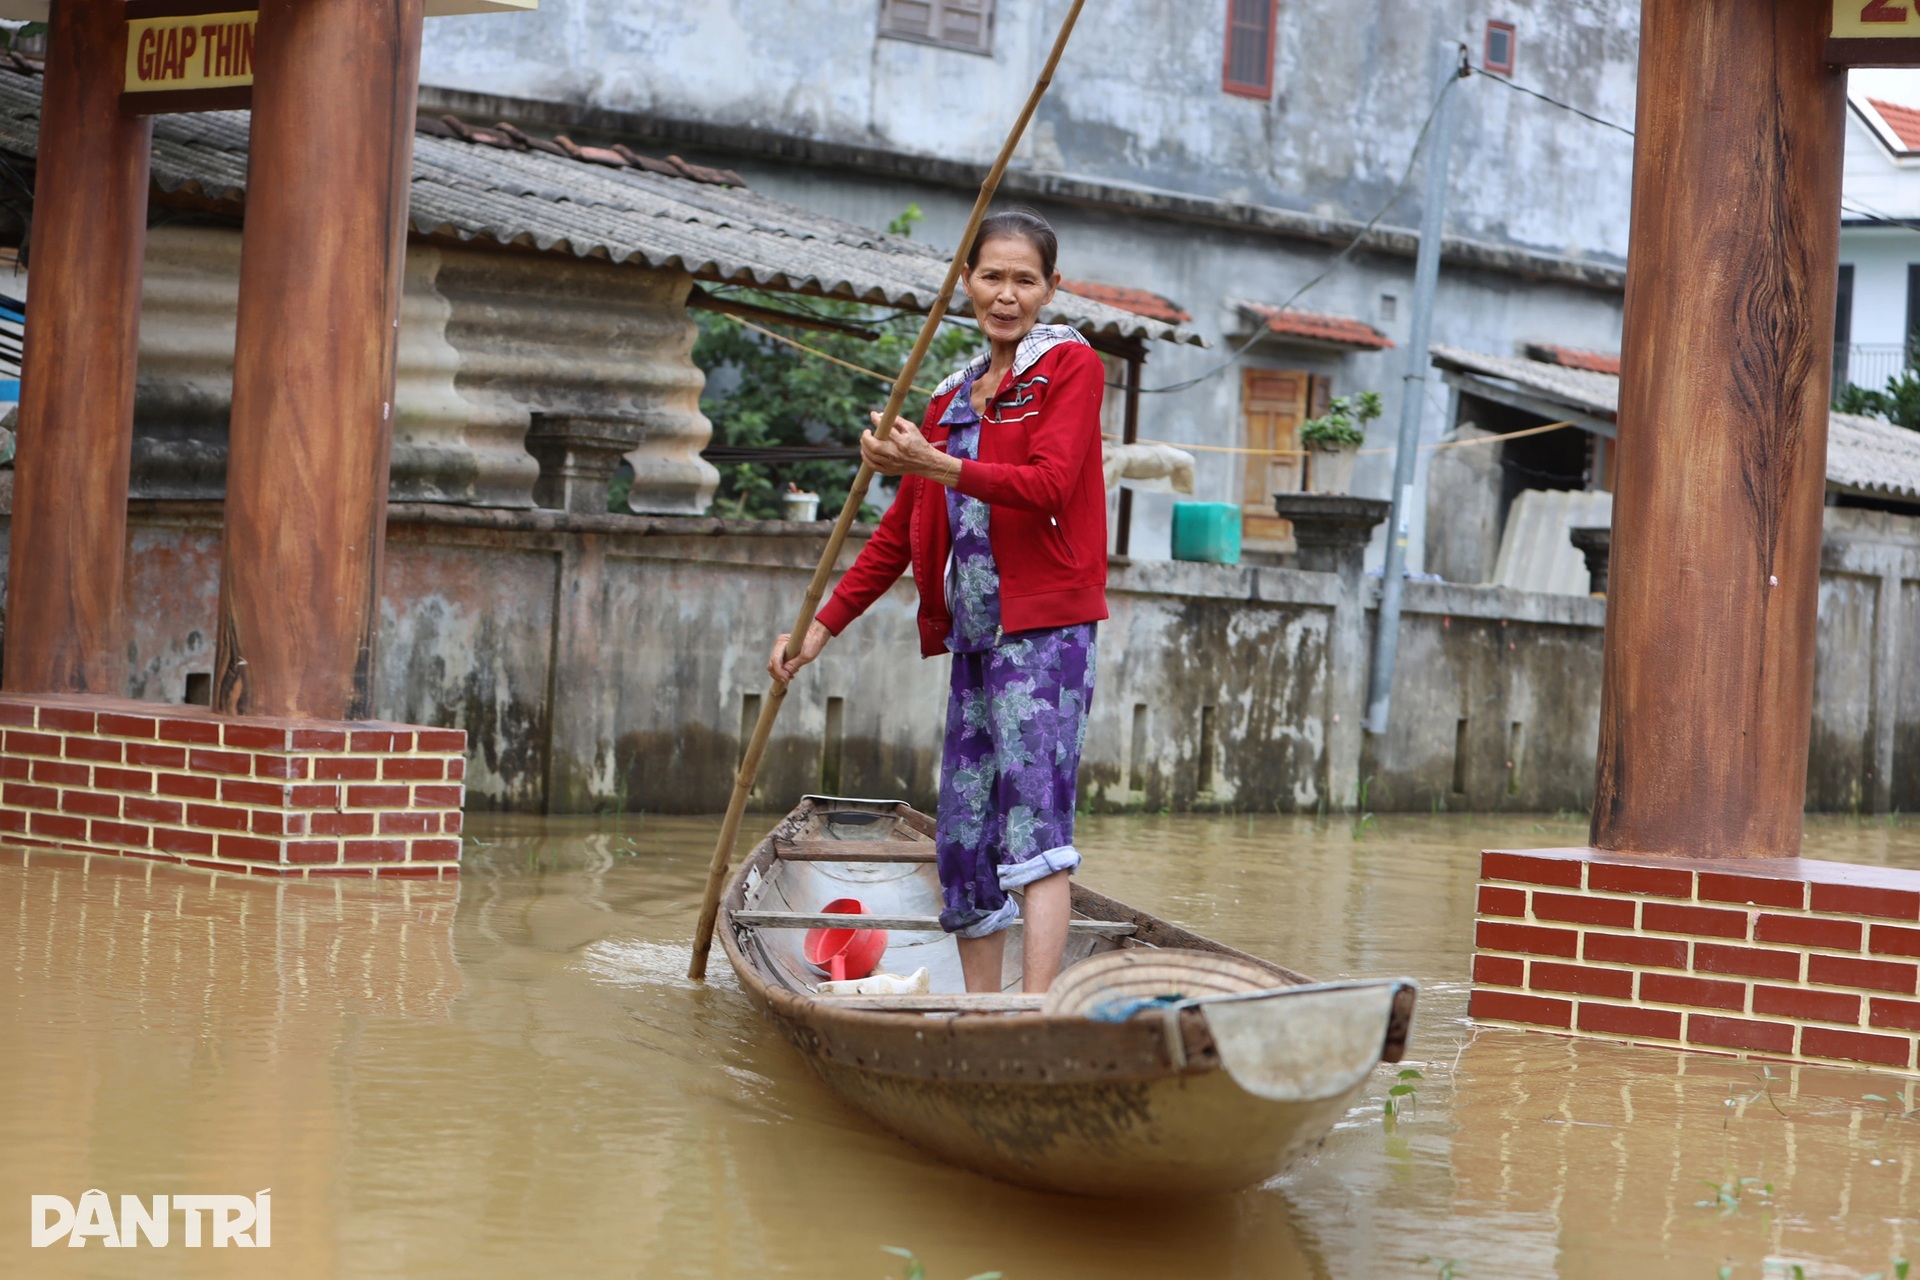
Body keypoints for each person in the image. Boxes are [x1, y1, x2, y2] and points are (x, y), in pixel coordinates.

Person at [767, 209, 1107, 994]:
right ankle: (983, 1017)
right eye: (992, 276)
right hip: (976, 641)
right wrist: (819, 627)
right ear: (967, 283)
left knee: (1034, 825)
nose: (1007, 295)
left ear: (1051, 288)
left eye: (1026, 280)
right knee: (962, 836)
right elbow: (899, 532)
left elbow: (1051, 484)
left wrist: (940, 467)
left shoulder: (1069, 370)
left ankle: (1032, 1012)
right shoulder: (950, 400)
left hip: (1047, 634)